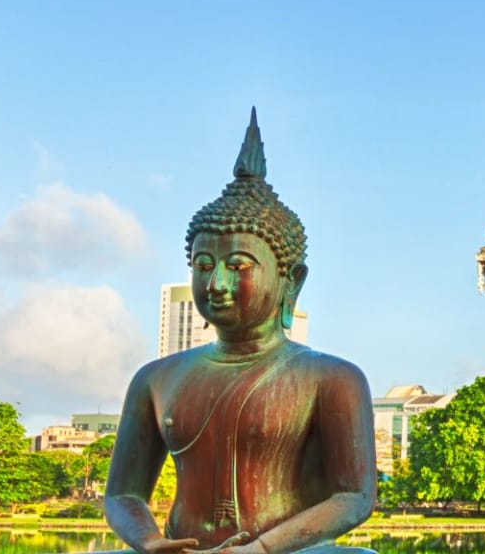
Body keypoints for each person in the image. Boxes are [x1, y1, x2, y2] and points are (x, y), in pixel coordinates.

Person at [104, 112, 377, 554]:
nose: (216, 284)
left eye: (238, 266)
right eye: (203, 265)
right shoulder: (155, 380)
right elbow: (122, 494)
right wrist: (149, 540)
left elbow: (354, 497)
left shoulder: (331, 378)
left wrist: (263, 549)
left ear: (291, 280)